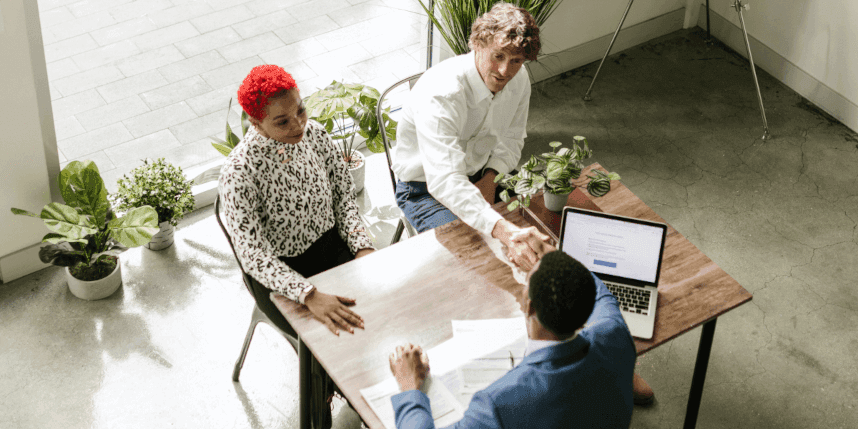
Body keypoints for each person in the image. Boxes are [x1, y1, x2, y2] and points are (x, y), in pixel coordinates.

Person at [218, 65, 375, 427]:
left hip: (333, 249)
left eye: (300, 110)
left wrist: (362, 247)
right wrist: (307, 293)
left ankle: (368, 394)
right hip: (280, 275)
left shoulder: (317, 136)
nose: (299, 126)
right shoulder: (239, 172)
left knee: (376, 314)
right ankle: (322, 411)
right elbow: (253, 255)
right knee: (325, 347)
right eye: (282, 121)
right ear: (255, 124)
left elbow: (344, 200)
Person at [388, 248, 638, 428]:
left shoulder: (499, 403)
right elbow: (601, 295)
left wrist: (409, 388)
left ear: (529, 307)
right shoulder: (614, 334)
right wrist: (555, 261)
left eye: (527, 281)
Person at [392, 2, 552, 272]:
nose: (505, 71)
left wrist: (490, 178)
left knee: (542, 234)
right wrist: (503, 230)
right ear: (477, 44)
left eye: (516, 61)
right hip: (424, 190)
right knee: (476, 264)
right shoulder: (441, 93)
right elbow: (445, 180)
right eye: (498, 56)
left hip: (483, 173)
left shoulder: (519, 78)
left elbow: (513, 139)